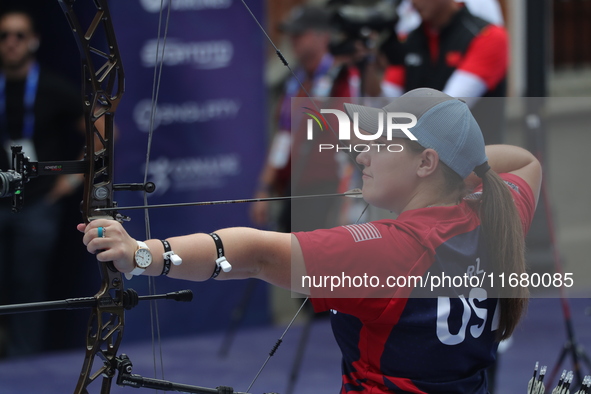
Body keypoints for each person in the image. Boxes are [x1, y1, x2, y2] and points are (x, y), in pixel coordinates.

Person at [79, 88, 541, 393]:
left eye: (381, 143)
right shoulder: (495, 214)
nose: (362, 153)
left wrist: (141, 254)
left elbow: (255, 253)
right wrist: (463, 171)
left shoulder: (391, 250)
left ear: (425, 163)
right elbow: (525, 164)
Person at [0, 8, 85, 357]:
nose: (11, 43)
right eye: (4, 36)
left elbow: (103, 133)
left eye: (19, 35)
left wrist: (74, 179)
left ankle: (24, 361)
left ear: (33, 41)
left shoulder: (52, 86)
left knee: (29, 285)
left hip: (37, 203)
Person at [250, 5, 359, 232]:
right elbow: (284, 135)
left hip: (330, 189)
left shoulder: (345, 75)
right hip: (295, 187)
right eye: (291, 33)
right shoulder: (294, 82)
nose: (292, 39)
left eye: (299, 34)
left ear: (322, 36)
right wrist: (264, 187)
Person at [365, 0, 508, 144]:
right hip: (420, 159)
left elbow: (449, 110)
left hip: (476, 158)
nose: (412, 3)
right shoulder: (408, 40)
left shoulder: (487, 36)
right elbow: (385, 107)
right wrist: (367, 64)